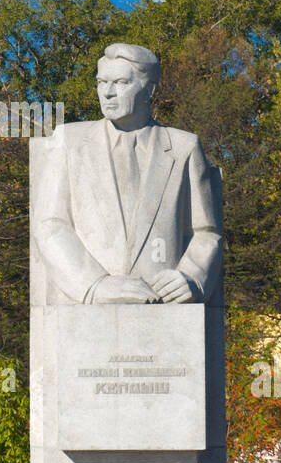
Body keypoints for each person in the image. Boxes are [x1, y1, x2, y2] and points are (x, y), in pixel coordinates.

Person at [32, 42, 223, 305]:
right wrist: (95, 286)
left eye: (121, 82)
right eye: (101, 82)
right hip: (84, 307)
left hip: (164, 306)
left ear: (149, 90)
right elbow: (50, 224)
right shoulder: (69, 141)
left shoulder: (184, 147)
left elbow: (206, 230)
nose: (107, 93)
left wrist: (192, 278)